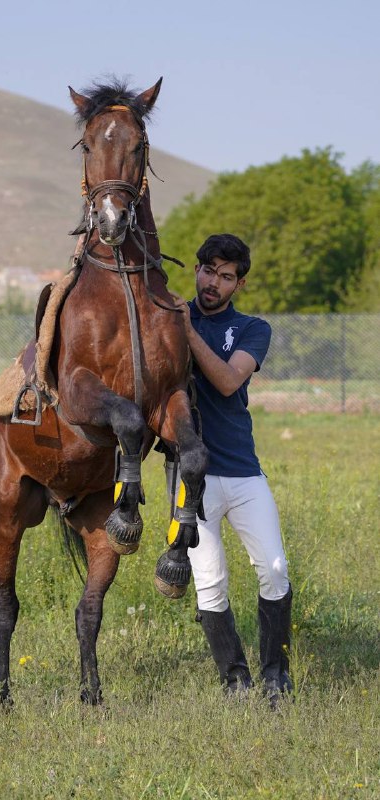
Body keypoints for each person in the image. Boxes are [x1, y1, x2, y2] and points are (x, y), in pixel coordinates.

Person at [171, 233, 293, 708]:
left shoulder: (252, 328)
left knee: (275, 569)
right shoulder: (171, 316)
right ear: (197, 270)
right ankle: (235, 681)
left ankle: (277, 677)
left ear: (238, 284)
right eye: (207, 271)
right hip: (190, 476)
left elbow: (225, 382)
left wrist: (186, 331)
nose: (213, 283)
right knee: (211, 580)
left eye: (225, 277)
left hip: (243, 472)